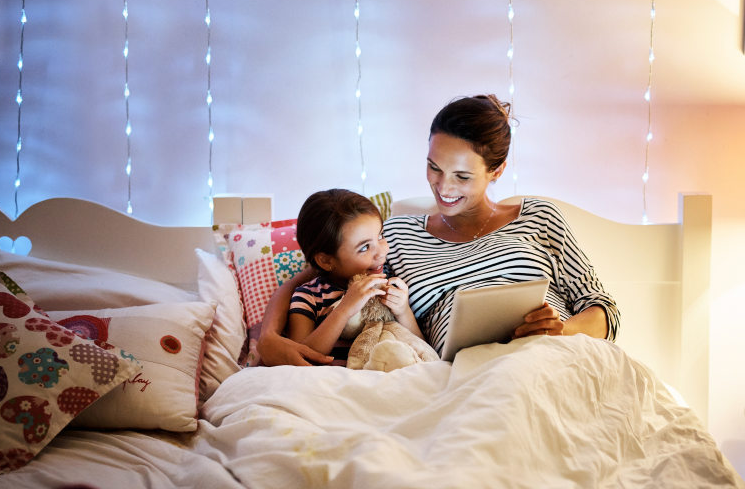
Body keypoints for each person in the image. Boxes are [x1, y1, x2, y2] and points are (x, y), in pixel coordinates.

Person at [257, 94, 619, 366]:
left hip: (557, 359)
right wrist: (269, 337)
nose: (443, 187)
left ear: (497, 171)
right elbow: (313, 273)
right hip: (461, 380)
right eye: (434, 167)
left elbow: (603, 310)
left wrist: (562, 329)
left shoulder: (539, 218)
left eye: (462, 176)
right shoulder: (396, 235)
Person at [286, 189, 424, 358]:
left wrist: (403, 312)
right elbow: (300, 357)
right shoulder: (308, 296)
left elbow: (421, 349)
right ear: (327, 261)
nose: (381, 252)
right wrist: (344, 310)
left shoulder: (390, 282)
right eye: (364, 247)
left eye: (381, 235)